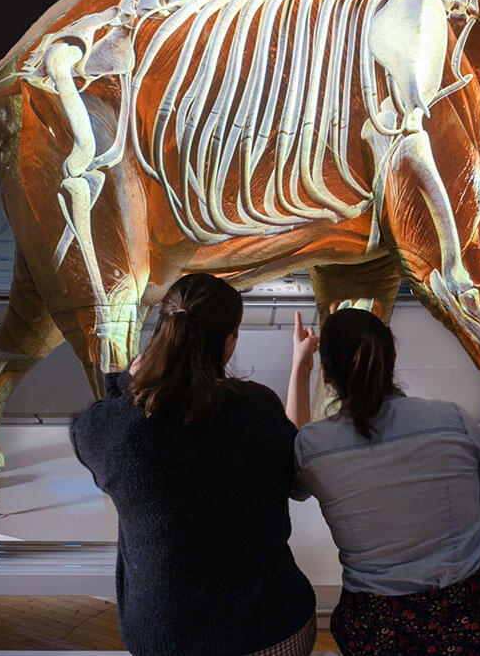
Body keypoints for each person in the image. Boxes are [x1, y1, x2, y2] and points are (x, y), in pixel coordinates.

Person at [71, 273, 316, 656]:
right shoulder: (259, 408)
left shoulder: (116, 431)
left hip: (165, 642)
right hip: (275, 632)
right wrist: (300, 368)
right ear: (229, 343)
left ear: (163, 331)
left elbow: (92, 428)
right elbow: (300, 471)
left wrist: (125, 383)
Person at [287, 307, 480, 655]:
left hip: (379, 635)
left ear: (326, 373)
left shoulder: (313, 447)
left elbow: (294, 455)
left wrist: (300, 368)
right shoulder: (453, 420)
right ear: (393, 357)